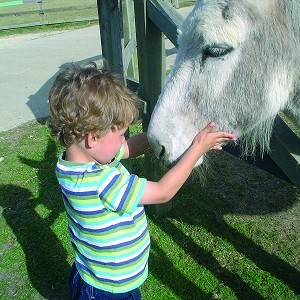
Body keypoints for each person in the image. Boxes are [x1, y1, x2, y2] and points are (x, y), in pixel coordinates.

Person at [48, 62, 237, 300]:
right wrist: (197, 149)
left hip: (92, 273)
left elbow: (128, 148)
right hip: (111, 288)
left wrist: (161, 135)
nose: (123, 140)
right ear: (93, 137)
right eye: (120, 134)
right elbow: (162, 192)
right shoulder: (102, 182)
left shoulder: (72, 162)